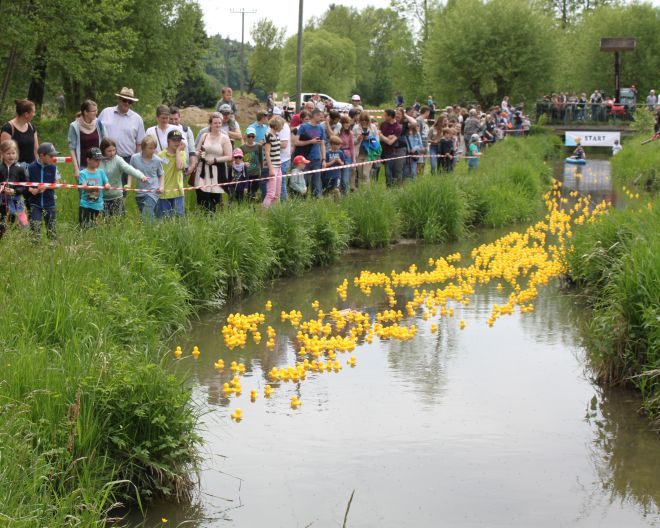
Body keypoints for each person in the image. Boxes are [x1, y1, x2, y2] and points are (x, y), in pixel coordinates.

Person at [98, 87, 144, 171]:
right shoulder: (106, 112)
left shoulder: (137, 119)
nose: (127, 103)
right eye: (124, 100)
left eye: (130, 102)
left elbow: (139, 143)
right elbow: (96, 132)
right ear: (118, 100)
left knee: (124, 184)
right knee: (104, 183)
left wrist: (137, 162)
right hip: (105, 158)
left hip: (126, 159)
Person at [194, 113, 233, 213]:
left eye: (220, 123)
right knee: (202, 197)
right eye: (215, 123)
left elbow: (229, 156)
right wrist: (198, 154)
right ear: (210, 124)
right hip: (202, 170)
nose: (218, 125)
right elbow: (197, 151)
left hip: (216, 171)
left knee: (214, 198)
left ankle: (212, 219)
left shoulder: (224, 138)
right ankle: (205, 217)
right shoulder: (204, 135)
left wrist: (215, 160)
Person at [99, 138, 145, 217]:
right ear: (103, 151)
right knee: (105, 222)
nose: (112, 153)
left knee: (118, 221)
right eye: (109, 151)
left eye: (114, 150)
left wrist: (141, 176)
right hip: (102, 197)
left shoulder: (118, 160)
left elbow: (129, 169)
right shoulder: (98, 161)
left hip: (117, 196)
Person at [26, 143, 61, 240]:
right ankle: (35, 247)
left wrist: (47, 186)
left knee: (51, 228)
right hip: (35, 203)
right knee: (35, 227)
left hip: (49, 203)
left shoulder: (53, 167)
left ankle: (53, 247)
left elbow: (57, 184)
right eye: (51, 156)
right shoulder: (31, 167)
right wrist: (32, 190)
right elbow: (26, 184)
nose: (53, 158)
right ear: (41, 155)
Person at [68, 100, 106, 181]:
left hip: (98, 167)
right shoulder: (74, 126)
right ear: (85, 112)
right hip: (82, 167)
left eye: (97, 110)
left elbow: (105, 143)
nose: (96, 113)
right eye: (93, 111)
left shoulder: (99, 124)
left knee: (98, 193)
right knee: (85, 193)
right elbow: (72, 149)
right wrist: (76, 169)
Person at [129, 136, 162, 221]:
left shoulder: (157, 160)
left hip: (153, 191)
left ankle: (148, 232)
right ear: (143, 148)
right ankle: (155, 228)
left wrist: (161, 186)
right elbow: (130, 171)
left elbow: (161, 174)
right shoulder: (134, 158)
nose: (153, 151)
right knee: (147, 214)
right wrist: (129, 184)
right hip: (140, 192)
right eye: (150, 148)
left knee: (146, 216)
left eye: (154, 148)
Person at [0, 139, 28, 237]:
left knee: (21, 222)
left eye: (13, 153)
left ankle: (21, 238)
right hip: (2, 200)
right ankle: (3, 239)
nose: (11, 155)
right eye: (8, 153)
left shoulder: (20, 168)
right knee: (2, 221)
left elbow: (26, 186)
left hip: (17, 200)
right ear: (2, 154)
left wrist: (15, 191)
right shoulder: (0, 168)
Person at [295, 109, 326, 197]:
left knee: (317, 183)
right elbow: (296, 142)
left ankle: (317, 201)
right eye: (320, 116)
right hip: (304, 159)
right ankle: (302, 200)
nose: (321, 118)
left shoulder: (321, 128)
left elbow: (322, 144)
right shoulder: (303, 127)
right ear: (315, 116)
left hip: (316, 159)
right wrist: (310, 142)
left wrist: (323, 160)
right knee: (303, 182)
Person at [157, 130, 187, 218]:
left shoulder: (182, 154)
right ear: (168, 141)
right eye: (174, 140)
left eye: (179, 140)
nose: (177, 142)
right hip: (164, 192)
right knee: (164, 220)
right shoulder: (160, 155)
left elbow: (179, 167)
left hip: (178, 192)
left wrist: (178, 151)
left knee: (179, 219)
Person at [78, 148, 110, 227]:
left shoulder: (101, 172)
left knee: (97, 227)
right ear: (88, 160)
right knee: (84, 227)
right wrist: (94, 187)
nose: (98, 162)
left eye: (99, 160)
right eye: (96, 160)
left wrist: (107, 185)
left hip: (98, 205)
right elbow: (84, 186)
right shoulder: (83, 173)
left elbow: (107, 182)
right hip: (85, 205)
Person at [1, 99, 39, 165]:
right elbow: (3, 153)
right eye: (33, 112)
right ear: (26, 114)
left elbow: (36, 151)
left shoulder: (32, 127)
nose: (34, 114)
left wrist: (38, 165)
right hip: (15, 169)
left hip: (31, 168)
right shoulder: (8, 128)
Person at [168, 106, 198, 180]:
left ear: (180, 118)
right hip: (167, 167)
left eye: (176, 119)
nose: (173, 122)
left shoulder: (186, 130)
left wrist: (192, 166)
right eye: (171, 119)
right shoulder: (166, 130)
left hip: (183, 167)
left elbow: (192, 150)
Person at [353, 112, 379, 189]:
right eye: (362, 120)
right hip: (358, 154)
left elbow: (377, 141)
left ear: (368, 120)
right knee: (360, 174)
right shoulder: (355, 127)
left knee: (365, 174)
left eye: (366, 120)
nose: (364, 121)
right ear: (359, 120)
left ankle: (366, 191)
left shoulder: (373, 127)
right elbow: (353, 142)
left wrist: (370, 138)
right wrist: (358, 139)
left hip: (369, 154)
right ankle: (361, 191)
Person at [263, 116, 284, 207]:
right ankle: (262, 214)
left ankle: (275, 213)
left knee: (277, 194)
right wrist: (271, 169)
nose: (282, 128)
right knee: (271, 193)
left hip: (278, 166)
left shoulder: (277, 136)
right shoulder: (268, 135)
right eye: (281, 126)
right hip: (272, 167)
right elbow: (267, 153)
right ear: (276, 126)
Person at [379, 109, 402, 187]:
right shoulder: (383, 124)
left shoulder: (398, 128)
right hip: (380, 150)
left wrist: (382, 136)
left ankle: (390, 188)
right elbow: (378, 136)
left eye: (385, 115)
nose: (384, 117)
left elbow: (390, 143)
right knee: (376, 170)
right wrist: (386, 138)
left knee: (388, 172)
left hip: (390, 152)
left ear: (390, 116)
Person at [241, 126, 263, 201]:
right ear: (246, 136)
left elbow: (261, 158)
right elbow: (240, 160)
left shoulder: (258, 146)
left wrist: (261, 169)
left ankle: (253, 201)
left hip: (256, 171)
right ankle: (247, 201)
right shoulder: (242, 147)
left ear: (255, 136)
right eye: (249, 136)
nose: (251, 138)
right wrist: (243, 163)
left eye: (252, 136)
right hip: (247, 173)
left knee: (255, 189)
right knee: (247, 189)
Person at [274, 107, 291, 201]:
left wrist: (270, 142)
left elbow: (284, 144)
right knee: (275, 184)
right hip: (275, 159)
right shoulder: (272, 125)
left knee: (281, 183)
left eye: (277, 115)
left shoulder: (284, 126)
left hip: (283, 159)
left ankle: (284, 204)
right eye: (273, 115)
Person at [338, 116, 355, 194]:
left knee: (345, 179)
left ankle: (346, 196)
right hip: (338, 156)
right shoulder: (338, 132)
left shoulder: (350, 133)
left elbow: (352, 147)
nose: (347, 124)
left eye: (348, 123)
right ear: (342, 123)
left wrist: (353, 160)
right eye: (345, 123)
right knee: (338, 178)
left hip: (347, 156)